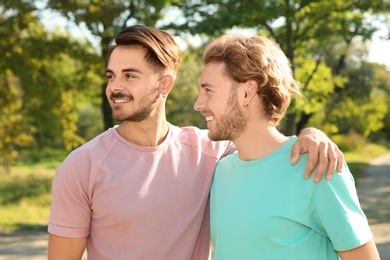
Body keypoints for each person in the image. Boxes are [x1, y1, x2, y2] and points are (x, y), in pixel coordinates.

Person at [48, 25, 344, 260]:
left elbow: (262, 139)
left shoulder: (210, 151)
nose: (115, 87)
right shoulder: (82, 166)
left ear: (165, 84)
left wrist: (311, 133)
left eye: (130, 75)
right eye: (111, 76)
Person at [194, 34, 380, 259]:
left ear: (247, 91)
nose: (198, 104)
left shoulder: (317, 167)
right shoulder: (220, 172)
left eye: (208, 90)